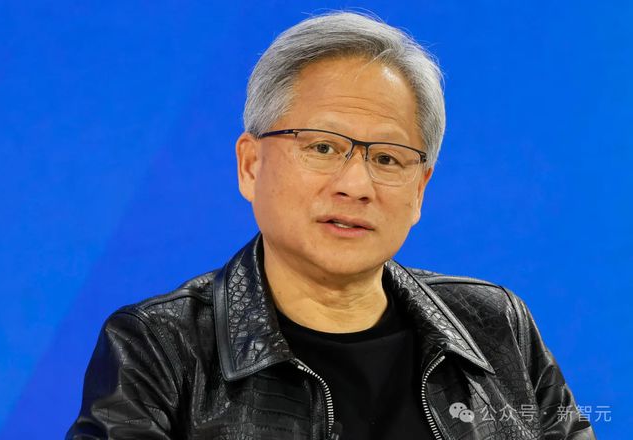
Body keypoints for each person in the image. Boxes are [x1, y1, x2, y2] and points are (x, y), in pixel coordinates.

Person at [67, 11, 596, 440]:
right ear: (250, 165)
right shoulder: (159, 349)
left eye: (387, 158)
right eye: (322, 147)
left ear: (419, 190)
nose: (356, 185)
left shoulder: (496, 326)